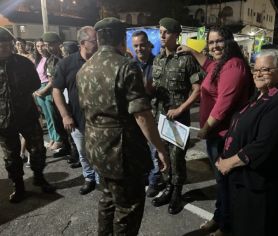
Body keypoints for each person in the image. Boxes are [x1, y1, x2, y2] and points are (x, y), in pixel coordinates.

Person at [76, 17, 169, 235]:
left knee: (108, 198)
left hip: (96, 147)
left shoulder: (85, 68)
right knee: (128, 207)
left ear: (98, 39)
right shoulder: (126, 66)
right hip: (122, 151)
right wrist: (161, 149)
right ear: (122, 38)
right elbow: (142, 115)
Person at [177, 26, 254, 236]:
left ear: (229, 41)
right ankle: (220, 217)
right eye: (211, 42)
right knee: (221, 181)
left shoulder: (234, 66)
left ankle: (227, 224)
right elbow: (208, 63)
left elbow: (223, 104)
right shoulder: (220, 64)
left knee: (227, 183)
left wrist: (205, 128)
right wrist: (192, 51)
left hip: (225, 136)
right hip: (216, 136)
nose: (214, 46)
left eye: (219, 41)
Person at [215, 49, 278, 236]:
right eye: (255, 69)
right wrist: (223, 155)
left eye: (265, 69)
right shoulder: (260, 94)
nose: (258, 73)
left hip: (260, 183)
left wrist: (229, 162)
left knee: (256, 228)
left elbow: (263, 145)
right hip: (243, 181)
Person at [151, 17, 202, 215]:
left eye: (166, 32)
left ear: (176, 35)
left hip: (178, 119)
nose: (162, 36)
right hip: (159, 118)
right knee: (162, 155)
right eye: (160, 31)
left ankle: (176, 193)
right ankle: (168, 187)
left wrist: (181, 109)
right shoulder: (158, 59)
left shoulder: (186, 58)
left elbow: (197, 90)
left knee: (177, 157)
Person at [0, 26, 56, 203]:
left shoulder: (23, 63)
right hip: (4, 120)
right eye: (1, 45)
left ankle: (39, 177)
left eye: (7, 44)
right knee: (11, 157)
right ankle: (19, 186)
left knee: (38, 149)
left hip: (27, 115)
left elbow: (34, 83)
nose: (5, 48)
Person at [52, 26, 99, 194]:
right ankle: (89, 178)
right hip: (77, 120)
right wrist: (65, 115)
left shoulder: (101, 60)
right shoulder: (67, 63)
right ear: (82, 43)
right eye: (95, 41)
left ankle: (101, 181)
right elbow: (56, 90)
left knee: (100, 153)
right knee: (83, 152)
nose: (98, 44)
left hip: (100, 120)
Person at [131, 30, 165, 197]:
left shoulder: (158, 62)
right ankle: (145, 175)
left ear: (149, 45)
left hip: (154, 114)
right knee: (140, 149)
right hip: (136, 116)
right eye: (136, 45)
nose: (139, 49)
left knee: (154, 149)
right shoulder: (130, 65)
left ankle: (154, 180)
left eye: (142, 45)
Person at [42, 32, 71, 157]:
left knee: (70, 124)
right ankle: (66, 146)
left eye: (51, 44)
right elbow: (50, 79)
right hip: (55, 97)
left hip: (68, 96)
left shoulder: (67, 58)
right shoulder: (50, 60)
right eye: (47, 45)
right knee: (58, 124)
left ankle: (75, 152)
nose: (48, 47)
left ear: (59, 44)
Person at [33, 38, 62, 152]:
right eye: (38, 46)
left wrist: (43, 90)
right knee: (48, 117)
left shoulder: (51, 59)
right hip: (39, 88)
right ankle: (52, 138)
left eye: (42, 46)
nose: (40, 48)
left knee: (53, 115)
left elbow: (52, 79)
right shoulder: (39, 60)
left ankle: (58, 139)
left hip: (47, 88)